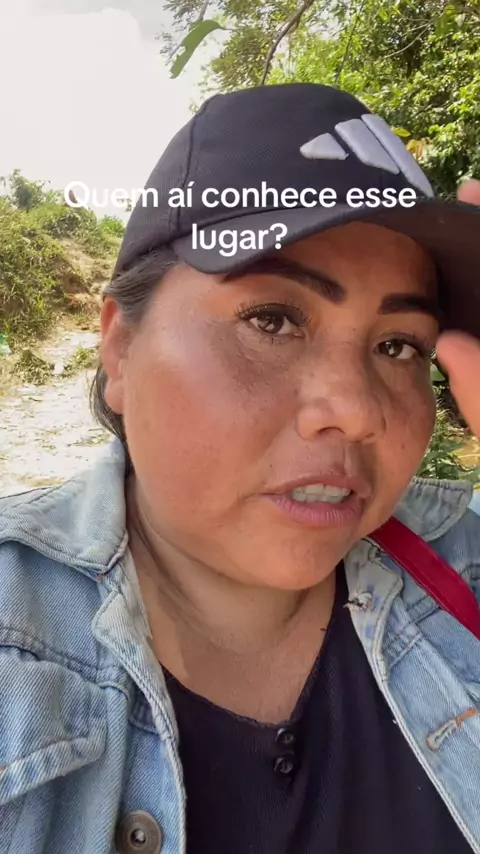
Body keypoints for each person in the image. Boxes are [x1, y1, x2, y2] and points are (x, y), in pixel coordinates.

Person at [1, 83, 480, 854]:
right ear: (120, 349)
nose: (357, 410)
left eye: (398, 346)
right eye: (273, 319)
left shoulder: (462, 570)